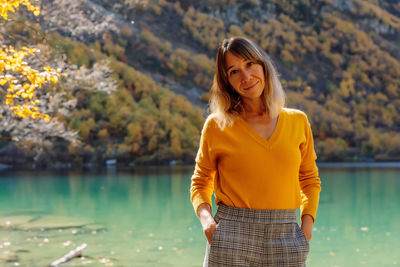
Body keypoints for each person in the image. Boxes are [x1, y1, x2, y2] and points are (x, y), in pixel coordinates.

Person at [190, 36, 321, 267]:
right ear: (226, 81)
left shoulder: (297, 121)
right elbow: (201, 182)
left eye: (250, 64)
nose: (246, 77)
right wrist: (208, 223)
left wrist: (306, 229)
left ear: (263, 66)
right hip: (231, 234)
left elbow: (309, 180)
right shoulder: (217, 126)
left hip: (287, 238)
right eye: (234, 71)